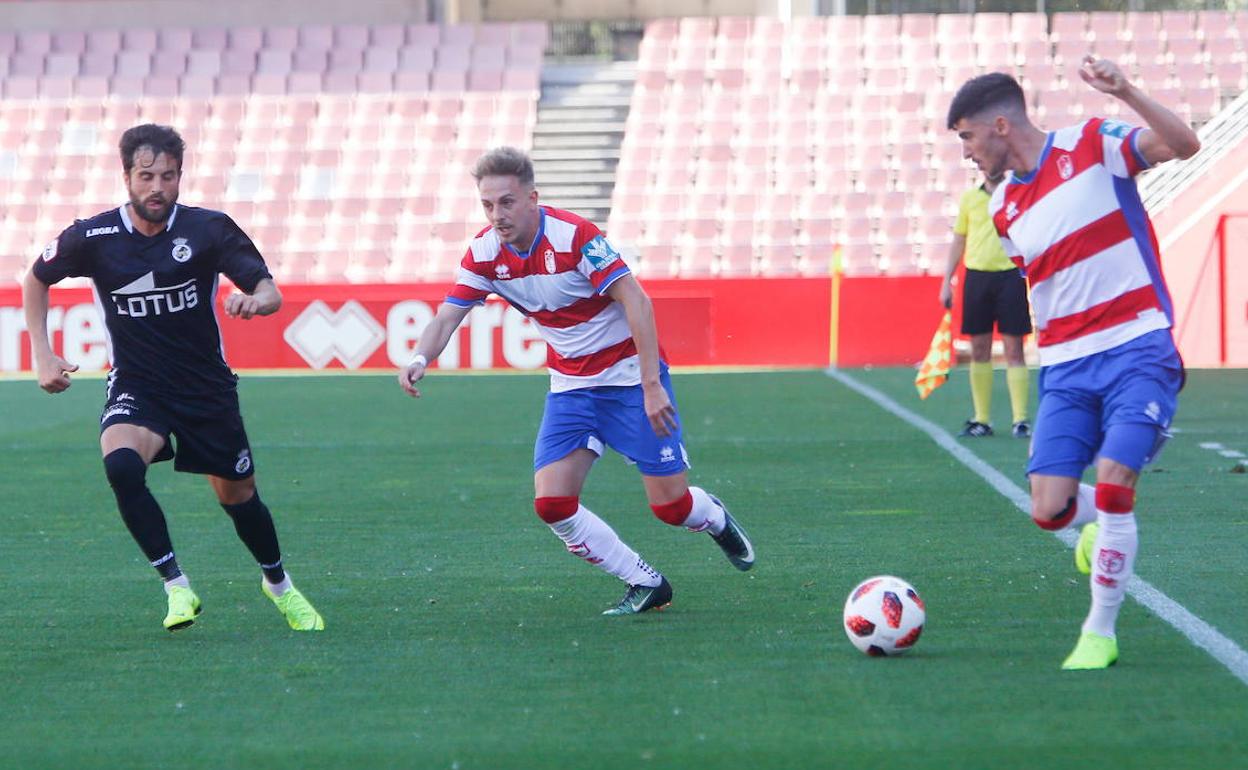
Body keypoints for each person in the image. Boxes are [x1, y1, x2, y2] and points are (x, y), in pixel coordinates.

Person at [397, 146, 754, 615]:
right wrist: (421, 356)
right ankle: (645, 582)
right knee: (552, 504)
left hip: (628, 379)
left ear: (532, 198)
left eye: (506, 202)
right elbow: (447, 316)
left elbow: (637, 302)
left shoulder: (576, 237)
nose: (496, 215)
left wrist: (651, 385)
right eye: (487, 204)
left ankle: (713, 518)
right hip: (571, 386)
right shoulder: (485, 252)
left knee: (671, 508)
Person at [947, 60, 1199, 670]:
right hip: (1065, 368)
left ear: (1000, 126)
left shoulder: (1093, 145)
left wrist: (1128, 92)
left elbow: (1184, 144)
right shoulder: (1002, 206)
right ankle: (1093, 528)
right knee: (1048, 509)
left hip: (1138, 349)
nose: (968, 154)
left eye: (968, 139)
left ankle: (1100, 632)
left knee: (1115, 483)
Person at [22, 124, 324, 632]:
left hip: (206, 389)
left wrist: (255, 301)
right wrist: (43, 354)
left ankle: (278, 585)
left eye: (167, 175)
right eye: (146, 176)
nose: (156, 186)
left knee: (237, 497)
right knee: (120, 465)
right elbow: (35, 277)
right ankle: (176, 587)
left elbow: (270, 291)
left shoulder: (208, 229)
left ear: (181, 176)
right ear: (126, 177)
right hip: (139, 385)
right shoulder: (93, 238)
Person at [938, 172, 1033, 438]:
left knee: (1015, 348)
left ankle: (1020, 419)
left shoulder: (1015, 192)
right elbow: (959, 238)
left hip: (1010, 274)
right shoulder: (970, 198)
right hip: (977, 276)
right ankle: (982, 419)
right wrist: (947, 281)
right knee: (980, 348)